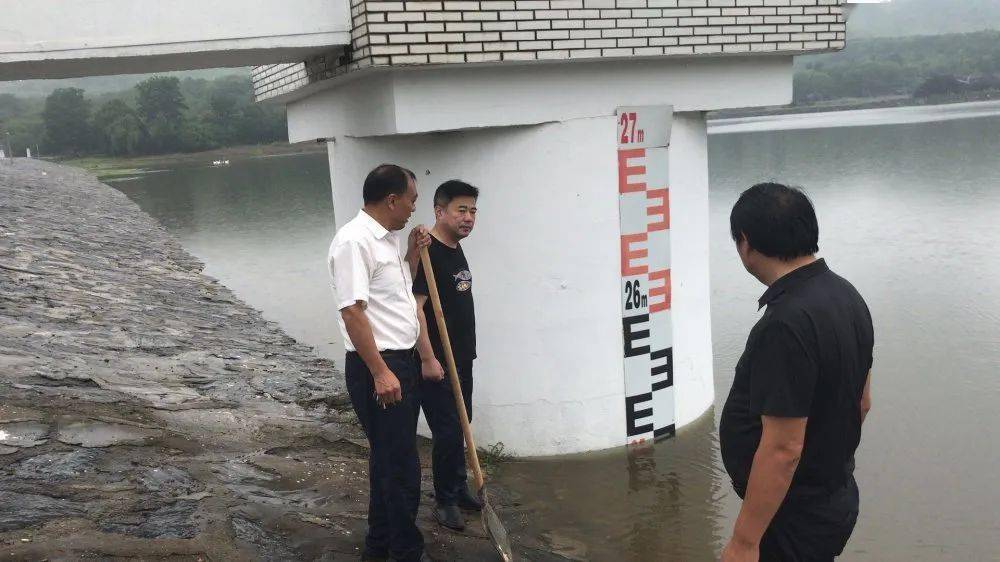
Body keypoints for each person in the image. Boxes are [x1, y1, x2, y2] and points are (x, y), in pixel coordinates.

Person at [719, 183, 875, 562]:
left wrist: (744, 541)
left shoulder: (786, 324)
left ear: (745, 242)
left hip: (793, 518)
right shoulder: (847, 295)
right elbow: (863, 402)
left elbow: (783, 448)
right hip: (832, 499)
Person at [328, 164, 433, 562]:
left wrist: (412, 253)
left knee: (390, 459)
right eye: (412, 200)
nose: (412, 208)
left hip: (399, 362)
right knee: (402, 466)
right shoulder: (354, 242)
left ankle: (380, 546)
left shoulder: (385, 239)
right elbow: (353, 312)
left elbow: (394, 292)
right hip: (380, 366)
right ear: (392, 200)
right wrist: (380, 372)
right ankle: (407, 551)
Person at [409, 180, 482, 531]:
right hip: (438, 361)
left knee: (463, 424)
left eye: (472, 211)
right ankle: (445, 501)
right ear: (440, 212)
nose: (468, 218)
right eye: (461, 210)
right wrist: (427, 358)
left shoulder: (455, 247)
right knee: (448, 430)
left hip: (462, 356)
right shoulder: (429, 251)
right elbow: (417, 309)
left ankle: (459, 487)